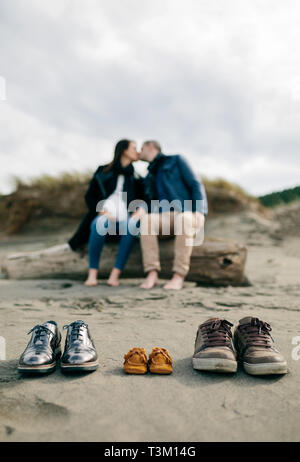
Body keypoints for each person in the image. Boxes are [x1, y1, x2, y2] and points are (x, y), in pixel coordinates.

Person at [68, 139, 144, 287]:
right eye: (134, 148)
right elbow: (90, 196)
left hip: (125, 219)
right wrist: (101, 211)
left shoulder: (136, 178)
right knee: (100, 223)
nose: (138, 152)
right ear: (124, 150)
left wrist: (141, 209)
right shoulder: (103, 171)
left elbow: (144, 199)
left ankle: (115, 275)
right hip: (105, 215)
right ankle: (92, 274)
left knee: (132, 225)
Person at [137, 140, 208, 290]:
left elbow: (196, 183)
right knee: (147, 220)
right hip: (163, 217)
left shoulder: (176, 160)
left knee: (184, 219)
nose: (139, 152)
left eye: (141, 148)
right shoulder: (150, 174)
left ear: (150, 147)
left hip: (184, 213)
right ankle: (152, 273)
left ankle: (178, 276)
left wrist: (200, 211)